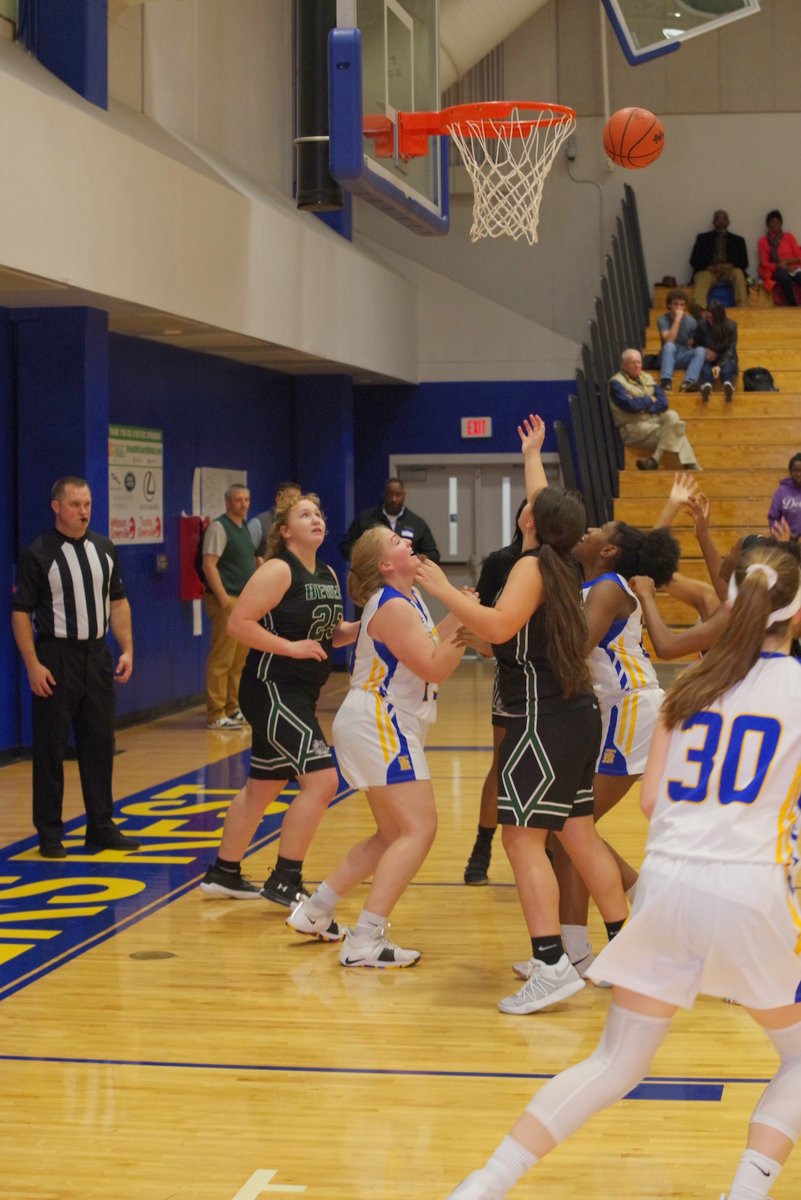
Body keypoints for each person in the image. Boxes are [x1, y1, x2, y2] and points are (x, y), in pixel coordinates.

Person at [445, 540, 801, 1200]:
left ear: (731, 604)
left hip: (665, 887)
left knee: (615, 1061)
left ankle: (485, 1183)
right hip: (750, 887)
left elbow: (650, 800)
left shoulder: (688, 689)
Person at [416, 418, 629, 1015]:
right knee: (578, 833)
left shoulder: (531, 567)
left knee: (520, 838)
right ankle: (625, 948)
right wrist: (531, 454)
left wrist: (443, 588)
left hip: (540, 719)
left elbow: (499, 623)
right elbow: (545, 506)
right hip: (576, 715)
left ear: (531, 523)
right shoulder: (564, 560)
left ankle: (551, 963)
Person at [286, 525, 467, 967]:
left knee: (391, 834)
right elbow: (433, 667)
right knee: (419, 829)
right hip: (379, 721)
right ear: (386, 564)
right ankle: (364, 938)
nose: (408, 542)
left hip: (379, 721)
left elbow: (427, 644)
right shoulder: (391, 605)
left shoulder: (407, 598)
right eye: (396, 542)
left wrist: (461, 610)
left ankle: (315, 909)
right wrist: (467, 623)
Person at [199, 492, 359, 905]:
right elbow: (238, 623)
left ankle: (224, 872)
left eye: (318, 513)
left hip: (299, 693)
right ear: (285, 530)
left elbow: (331, 633)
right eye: (305, 515)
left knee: (263, 787)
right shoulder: (278, 569)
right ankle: (285, 879)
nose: (316, 519)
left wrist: (367, 625)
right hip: (272, 688)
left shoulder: (327, 572)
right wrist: (289, 647)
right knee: (323, 782)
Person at [550, 516, 680, 977]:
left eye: (599, 530)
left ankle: (642, 913)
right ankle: (576, 949)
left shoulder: (606, 588)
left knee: (571, 828)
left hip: (632, 708)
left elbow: (572, 649)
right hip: (620, 711)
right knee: (568, 831)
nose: (587, 531)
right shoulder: (596, 585)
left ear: (609, 551)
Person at [11, 476, 141, 858]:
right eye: (75, 505)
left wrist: (127, 649)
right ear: (57, 507)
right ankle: (49, 833)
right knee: (50, 749)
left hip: (97, 656)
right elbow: (20, 614)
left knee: (100, 745)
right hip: (56, 656)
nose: (83, 512)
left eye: (87, 504)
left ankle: (100, 827)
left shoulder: (104, 548)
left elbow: (118, 602)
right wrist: (33, 664)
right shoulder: (38, 553)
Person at [461, 501, 526, 887]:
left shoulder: (563, 562)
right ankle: (482, 846)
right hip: (512, 673)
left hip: (554, 679)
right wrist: (485, 642)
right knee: (502, 764)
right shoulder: (502, 561)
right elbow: (480, 617)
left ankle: (549, 850)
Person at [201, 482, 257, 730]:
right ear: (227, 502)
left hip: (243, 602)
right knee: (222, 658)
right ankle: (216, 713)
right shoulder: (219, 527)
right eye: (238, 500)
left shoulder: (244, 528)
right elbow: (209, 565)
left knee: (239, 659)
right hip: (227, 600)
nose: (243, 504)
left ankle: (233, 708)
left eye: (246, 499)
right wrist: (223, 598)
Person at [608, 348, 701, 472]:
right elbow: (631, 406)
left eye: (639, 362)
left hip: (652, 420)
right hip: (633, 428)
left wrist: (644, 406)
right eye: (632, 363)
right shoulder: (616, 383)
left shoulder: (646, 377)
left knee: (672, 415)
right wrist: (649, 399)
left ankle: (654, 460)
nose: (637, 366)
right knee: (676, 430)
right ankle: (695, 469)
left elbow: (663, 402)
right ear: (623, 365)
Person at [340, 477, 440, 562]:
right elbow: (346, 546)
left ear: (404, 495)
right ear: (384, 495)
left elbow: (434, 554)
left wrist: (421, 558)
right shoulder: (366, 518)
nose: (394, 499)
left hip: (405, 575)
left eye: (398, 495)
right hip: (372, 574)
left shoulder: (416, 523)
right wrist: (364, 559)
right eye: (390, 495)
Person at [689, 208, 749, 308]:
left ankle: (742, 307)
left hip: (729, 271)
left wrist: (730, 266)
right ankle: (699, 309)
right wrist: (710, 267)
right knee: (702, 277)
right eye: (718, 218)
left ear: (728, 222)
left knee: (738, 273)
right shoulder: (703, 238)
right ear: (713, 222)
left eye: (723, 218)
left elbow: (744, 262)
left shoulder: (738, 240)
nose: (720, 220)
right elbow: (694, 261)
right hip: (709, 271)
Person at [656, 289, 706, 392]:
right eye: (676, 304)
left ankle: (688, 382)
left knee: (701, 350)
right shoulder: (662, 320)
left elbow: (691, 343)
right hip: (667, 357)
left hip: (683, 355)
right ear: (669, 305)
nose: (679, 308)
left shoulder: (691, 321)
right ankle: (666, 382)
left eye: (682, 305)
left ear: (685, 306)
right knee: (669, 346)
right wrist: (677, 320)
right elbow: (669, 340)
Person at [694, 300, 739, 402]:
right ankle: (707, 385)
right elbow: (696, 343)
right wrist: (706, 351)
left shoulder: (731, 326)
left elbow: (731, 348)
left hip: (725, 357)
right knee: (706, 366)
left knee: (728, 366)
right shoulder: (702, 325)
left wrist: (719, 365)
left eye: (712, 318)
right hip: (709, 358)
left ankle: (727, 384)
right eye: (708, 317)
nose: (710, 321)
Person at [247, 480, 301, 564]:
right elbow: (244, 557)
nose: (294, 503)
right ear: (278, 498)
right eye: (291, 498)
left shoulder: (298, 525)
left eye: (298, 499)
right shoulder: (258, 523)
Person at [758, 209, 801, 306]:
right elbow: (764, 263)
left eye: (777, 221)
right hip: (777, 270)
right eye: (772, 222)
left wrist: (786, 262)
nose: (775, 224)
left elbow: (799, 256)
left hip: (794, 268)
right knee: (784, 276)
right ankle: (793, 305)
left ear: (781, 223)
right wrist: (779, 266)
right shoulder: (762, 241)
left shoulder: (789, 237)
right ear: (768, 224)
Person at [768, 452, 801, 541]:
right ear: (790, 471)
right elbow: (774, 518)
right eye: (795, 470)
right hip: (787, 541)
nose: (798, 474)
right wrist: (783, 535)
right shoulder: (781, 491)